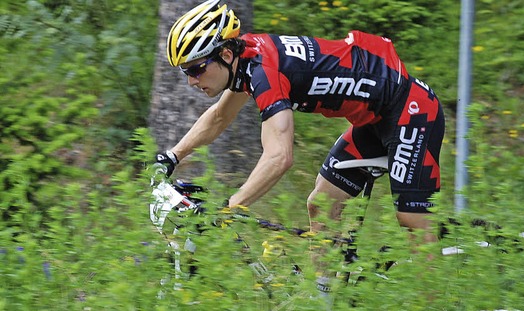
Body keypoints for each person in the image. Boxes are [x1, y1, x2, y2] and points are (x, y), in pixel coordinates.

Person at [154, 0, 445, 283]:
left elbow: (279, 157)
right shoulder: (247, 60)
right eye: (185, 72)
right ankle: (324, 298)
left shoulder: (264, 72)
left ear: (226, 55)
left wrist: (230, 207)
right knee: (321, 204)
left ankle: (435, 300)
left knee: (413, 220)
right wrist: (173, 156)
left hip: (411, 110)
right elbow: (219, 117)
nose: (191, 81)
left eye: (196, 69)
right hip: (374, 121)